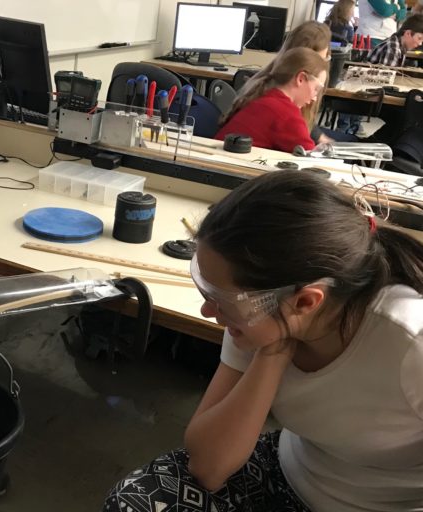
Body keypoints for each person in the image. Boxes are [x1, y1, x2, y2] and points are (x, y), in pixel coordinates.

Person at [103, 169, 423, 511]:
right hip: (291, 472)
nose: (208, 311)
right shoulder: (258, 321)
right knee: (134, 502)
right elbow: (209, 466)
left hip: (386, 505)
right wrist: (274, 351)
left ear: (306, 301)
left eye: (221, 300)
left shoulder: (410, 341)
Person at [226, 21, 339, 144]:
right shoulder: (284, 110)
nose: (323, 65)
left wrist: (319, 137)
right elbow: (304, 148)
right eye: (319, 60)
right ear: (301, 76)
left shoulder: (268, 88)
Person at [215, 48, 328, 153]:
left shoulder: (263, 96)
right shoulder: (286, 113)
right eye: (316, 89)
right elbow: (310, 158)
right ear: (301, 79)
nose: (315, 98)